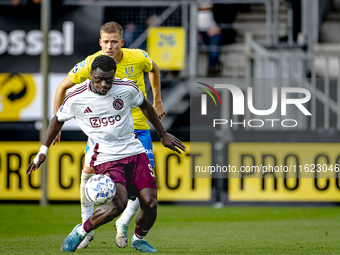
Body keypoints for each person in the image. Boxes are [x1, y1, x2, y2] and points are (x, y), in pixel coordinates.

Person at [26, 55, 186, 253]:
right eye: (99, 79)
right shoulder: (76, 97)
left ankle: (138, 238)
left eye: (108, 80)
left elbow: (145, 105)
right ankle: (81, 231)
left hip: (134, 151)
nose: (104, 84)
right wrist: (43, 150)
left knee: (151, 203)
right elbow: (57, 119)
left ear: (114, 75)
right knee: (116, 205)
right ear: (91, 74)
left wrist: (162, 134)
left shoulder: (126, 88)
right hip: (105, 156)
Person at [52, 21, 165, 249]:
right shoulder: (91, 64)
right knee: (87, 172)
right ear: (100, 42)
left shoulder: (138, 56)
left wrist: (157, 99)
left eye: (114, 42)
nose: (109, 46)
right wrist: (57, 123)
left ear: (121, 42)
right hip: (103, 132)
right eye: (105, 41)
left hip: (138, 129)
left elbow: (154, 69)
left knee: (144, 191)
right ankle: (85, 228)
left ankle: (123, 225)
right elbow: (62, 87)